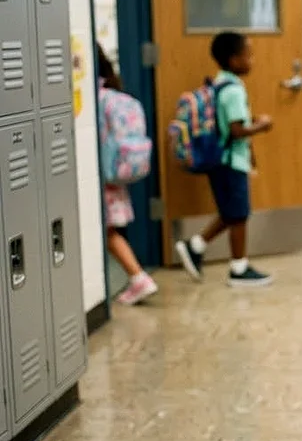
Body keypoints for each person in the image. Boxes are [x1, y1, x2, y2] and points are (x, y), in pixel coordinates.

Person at [175, 32, 274, 287]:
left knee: (232, 212)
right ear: (233, 60)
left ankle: (195, 245)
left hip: (224, 160)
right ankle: (238, 268)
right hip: (230, 161)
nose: (251, 60)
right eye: (247, 56)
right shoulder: (233, 91)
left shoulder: (220, 83)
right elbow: (236, 130)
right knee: (238, 214)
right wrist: (262, 125)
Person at [97, 46, 158, 306]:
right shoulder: (117, 96)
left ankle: (138, 278)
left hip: (101, 176)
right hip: (116, 175)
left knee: (109, 231)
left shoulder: (94, 99)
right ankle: (130, 277)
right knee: (111, 229)